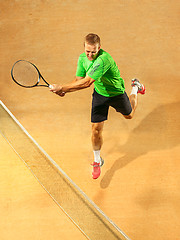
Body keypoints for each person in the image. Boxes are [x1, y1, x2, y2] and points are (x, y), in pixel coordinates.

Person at [50, 33, 145, 179]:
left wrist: (62, 87)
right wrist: (65, 91)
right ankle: (97, 160)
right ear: (84, 48)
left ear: (99, 48)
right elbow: (78, 80)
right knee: (95, 130)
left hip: (116, 93)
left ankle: (135, 88)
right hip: (100, 94)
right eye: (87, 51)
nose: (90, 55)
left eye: (93, 52)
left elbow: (87, 82)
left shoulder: (103, 60)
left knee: (130, 115)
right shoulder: (83, 58)